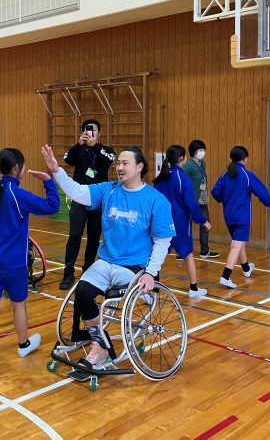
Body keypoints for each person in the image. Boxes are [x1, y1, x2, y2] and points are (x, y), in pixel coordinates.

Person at [42, 144, 175, 368]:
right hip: (106, 262)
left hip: (134, 269)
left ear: (139, 167)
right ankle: (100, 345)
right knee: (82, 292)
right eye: (118, 163)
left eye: (125, 163)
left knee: (103, 296)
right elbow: (78, 192)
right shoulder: (109, 190)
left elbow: (162, 242)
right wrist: (57, 170)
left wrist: (151, 273)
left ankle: (99, 345)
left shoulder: (156, 200)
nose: (119, 167)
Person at [0, 148, 60, 375]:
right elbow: (53, 206)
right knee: (18, 305)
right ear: (16, 168)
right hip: (13, 265)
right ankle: (23, 345)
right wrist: (48, 181)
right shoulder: (17, 195)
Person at [211, 146, 270, 289]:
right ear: (245, 159)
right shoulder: (247, 175)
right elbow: (262, 194)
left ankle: (246, 268)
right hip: (242, 217)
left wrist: (224, 200)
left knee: (239, 242)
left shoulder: (225, 175)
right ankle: (225, 276)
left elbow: (215, 192)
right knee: (237, 245)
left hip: (228, 216)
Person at [59, 119, 116, 290]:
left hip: (98, 200)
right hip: (79, 198)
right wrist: (79, 144)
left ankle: (88, 271)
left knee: (93, 237)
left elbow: (108, 161)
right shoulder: (79, 150)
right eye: (86, 130)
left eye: (93, 130)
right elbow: (68, 160)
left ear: (99, 133)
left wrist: (94, 146)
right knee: (74, 236)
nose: (89, 133)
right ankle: (68, 273)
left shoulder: (106, 150)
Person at [153, 145, 210, 297]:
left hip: (161, 223)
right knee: (188, 255)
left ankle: (151, 290)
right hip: (180, 224)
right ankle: (193, 288)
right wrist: (202, 220)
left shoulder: (160, 178)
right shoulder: (183, 179)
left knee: (157, 256)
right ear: (182, 158)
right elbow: (191, 204)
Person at [182, 140, 220, 258]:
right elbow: (183, 182)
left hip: (202, 197)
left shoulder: (202, 163)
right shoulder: (188, 165)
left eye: (203, 150)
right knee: (186, 225)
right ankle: (182, 251)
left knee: (205, 223)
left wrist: (205, 192)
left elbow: (203, 180)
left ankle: (204, 250)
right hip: (191, 199)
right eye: (200, 150)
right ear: (193, 151)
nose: (202, 152)